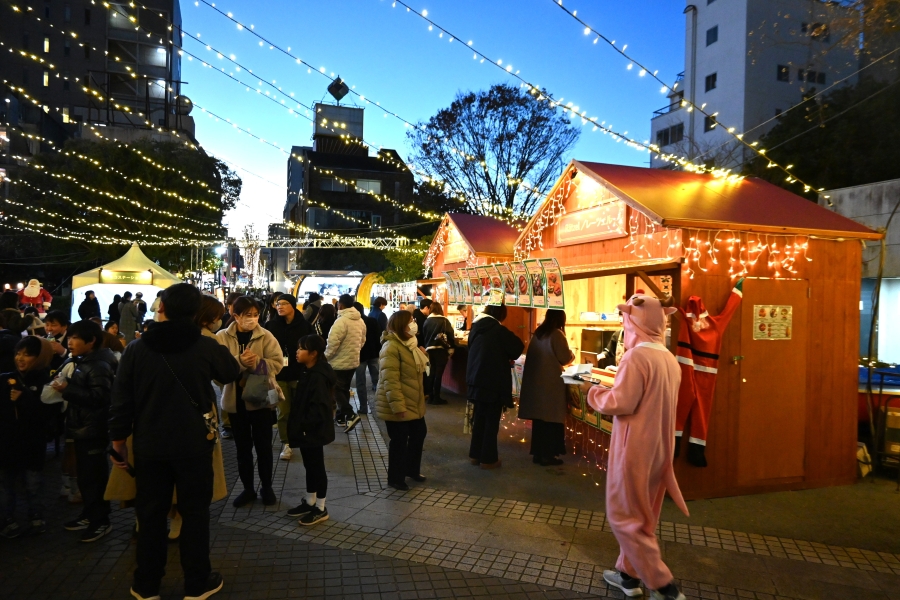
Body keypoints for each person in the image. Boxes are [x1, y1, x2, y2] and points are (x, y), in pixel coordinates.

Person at [109, 283, 241, 600]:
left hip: (150, 445)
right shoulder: (205, 345)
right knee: (195, 514)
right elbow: (230, 372)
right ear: (196, 313)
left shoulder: (137, 349)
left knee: (150, 515)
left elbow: (121, 399)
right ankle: (197, 583)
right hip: (194, 444)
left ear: (163, 308)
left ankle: (146, 585)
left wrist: (118, 441)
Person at [580, 294, 688, 600]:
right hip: (660, 448)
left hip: (634, 449)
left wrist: (592, 391)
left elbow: (621, 402)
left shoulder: (636, 357)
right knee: (644, 516)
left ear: (633, 321)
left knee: (624, 517)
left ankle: (664, 586)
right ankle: (628, 576)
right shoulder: (669, 359)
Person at [54, 319, 118, 543]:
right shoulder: (86, 360)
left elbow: (100, 398)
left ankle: (101, 520)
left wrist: (67, 390)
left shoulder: (97, 365)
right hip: (83, 427)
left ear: (91, 341)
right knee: (86, 476)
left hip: (93, 429)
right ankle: (90, 515)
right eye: (69, 337)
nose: (70, 342)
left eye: (75, 338)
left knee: (94, 477)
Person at [217, 296, 283, 507]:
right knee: (242, 449)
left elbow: (277, 363)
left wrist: (256, 363)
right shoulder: (222, 337)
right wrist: (239, 362)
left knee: (264, 447)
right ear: (235, 316)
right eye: (247, 315)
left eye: (255, 315)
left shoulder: (266, 336)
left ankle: (267, 487)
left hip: (260, 400)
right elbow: (218, 371)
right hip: (235, 402)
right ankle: (248, 489)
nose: (252, 319)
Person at [0, 336, 54, 538]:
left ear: (39, 357)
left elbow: (47, 414)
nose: (20, 358)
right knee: (5, 484)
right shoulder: (4, 379)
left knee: (33, 483)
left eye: (27, 354)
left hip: (32, 441)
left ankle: (36, 516)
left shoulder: (46, 381)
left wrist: (25, 398)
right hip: (6, 441)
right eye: (18, 353)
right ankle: (7, 519)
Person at [285, 334, 336, 526]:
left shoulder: (318, 376)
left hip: (314, 430)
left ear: (313, 354)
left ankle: (321, 508)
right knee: (309, 466)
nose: (297, 352)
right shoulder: (308, 370)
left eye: (301, 348)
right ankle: (310, 501)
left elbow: (318, 408)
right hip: (307, 429)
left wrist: (305, 426)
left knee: (316, 467)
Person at [466, 304, 524, 469]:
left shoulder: (475, 327)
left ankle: (475, 455)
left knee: (479, 418)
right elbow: (517, 347)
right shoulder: (498, 330)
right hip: (492, 382)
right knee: (491, 421)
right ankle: (488, 459)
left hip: (475, 379)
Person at [376, 310, 429, 491]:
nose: (414, 324)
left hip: (413, 402)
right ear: (401, 325)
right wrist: (398, 406)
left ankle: (411, 470)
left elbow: (415, 369)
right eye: (410, 321)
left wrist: (424, 355)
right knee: (399, 441)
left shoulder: (411, 344)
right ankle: (395, 478)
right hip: (398, 404)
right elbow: (390, 380)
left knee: (419, 434)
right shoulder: (391, 347)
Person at [518, 310, 574, 466]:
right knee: (551, 422)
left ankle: (538, 454)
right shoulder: (557, 334)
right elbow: (564, 358)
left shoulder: (539, 333)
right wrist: (573, 355)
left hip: (537, 385)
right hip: (551, 386)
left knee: (540, 423)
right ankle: (548, 456)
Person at [265, 294, 311, 461]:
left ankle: (300, 437)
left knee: (300, 410)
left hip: (300, 374)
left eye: (284, 303)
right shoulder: (271, 325)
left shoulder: (305, 325)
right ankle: (287, 443)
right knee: (283, 411)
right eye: (278, 304)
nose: (280, 306)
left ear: (293, 305)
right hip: (278, 375)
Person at [324, 295, 366, 433]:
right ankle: (341, 418)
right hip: (353, 361)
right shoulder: (360, 321)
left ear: (340, 305)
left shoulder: (341, 321)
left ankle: (350, 414)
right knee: (344, 389)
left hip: (338, 363)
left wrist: (325, 357)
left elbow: (332, 344)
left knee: (336, 389)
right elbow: (362, 340)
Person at [421, 302, 456, 406]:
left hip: (429, 349)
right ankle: (436, 397)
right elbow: (450, 335)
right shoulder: (444, 320)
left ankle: (430, 396)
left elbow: (424, 335)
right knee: (438, 374)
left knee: (431, 373)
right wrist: (452, 347)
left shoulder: (427, 321)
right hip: (441, 349)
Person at [353, 302, 380, 415]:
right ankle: (380, 407)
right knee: (378, 381)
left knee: (360, 382)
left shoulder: (354, 323)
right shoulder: (372, 321)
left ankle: (363, 407)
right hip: (373, 354)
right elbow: (378, 337)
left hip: (360, 355)